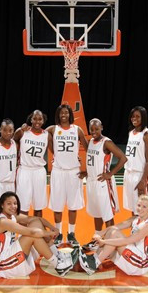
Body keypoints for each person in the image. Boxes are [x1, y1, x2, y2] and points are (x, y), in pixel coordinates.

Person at [0, 192, 78, 278]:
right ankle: (58, 265)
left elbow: (37, 219)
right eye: (9, 203)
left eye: (15, 203)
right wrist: (50, 233)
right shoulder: (2, 221)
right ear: (2, 205)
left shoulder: (12, 217)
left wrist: (52, 228)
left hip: (9, 253)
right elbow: (31, 232)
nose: (13, 206)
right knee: (32, 235)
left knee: (36, 223)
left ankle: (57, 255)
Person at [79, 195, 148, 276]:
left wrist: (103, 241)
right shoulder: (135, 219)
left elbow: (127, 240)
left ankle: (94, 265)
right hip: (134, 254)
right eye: (139, 205)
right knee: (112, 230)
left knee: (115, 234)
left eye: (144, 206)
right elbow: (114, 227)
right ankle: (95, 258)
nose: (140, 209)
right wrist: (99, 233)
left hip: (141, 263)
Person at [81, 118, 128, 252]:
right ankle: (97, 239)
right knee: (97, 213)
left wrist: (110, 173)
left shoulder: (106, 142)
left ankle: (109, 244)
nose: (94, 131)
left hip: (103, 183)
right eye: (92, 129)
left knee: (107, 215)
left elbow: (123, 158)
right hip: (91, 182)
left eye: (96, 128)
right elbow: (93, 161)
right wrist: (87, 172)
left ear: (101, 127)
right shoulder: (90, 141)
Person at [46, 104, 88, 247]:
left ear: (70, 114)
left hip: (73, 172)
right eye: (61, 113)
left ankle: (71, 234)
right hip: (58, 171)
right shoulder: (53, 129)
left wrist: (87, 168)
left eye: (66, 113)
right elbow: (37, 133)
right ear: (58, 115)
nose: (64, 115)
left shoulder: (77, 130)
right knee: (57, 205)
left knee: (73, 205)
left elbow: (89, 148)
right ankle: (58, 233)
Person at [13, 110, 50, 217]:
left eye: (40, 119)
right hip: (24, 170)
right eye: (35, 118)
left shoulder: (46, 135)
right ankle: (21, 231)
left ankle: (36, 230)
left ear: (43, 121)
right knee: (22, 205)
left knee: (38, 206)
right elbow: (12, 142)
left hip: (39, 171)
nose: (37, 121)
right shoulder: (22, 132)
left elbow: (56, 150)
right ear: (31, 119)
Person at [123, 106, 148, 215]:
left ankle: (144, 231)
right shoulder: (131, 133)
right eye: (133, 116)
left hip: (141, 175)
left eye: (138, 116)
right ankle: (135, 230)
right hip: (130, 173)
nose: (134, 118)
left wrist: (143, 180)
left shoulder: (147, 135)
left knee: (143, 210)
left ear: (143, 118)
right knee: (134, 208)